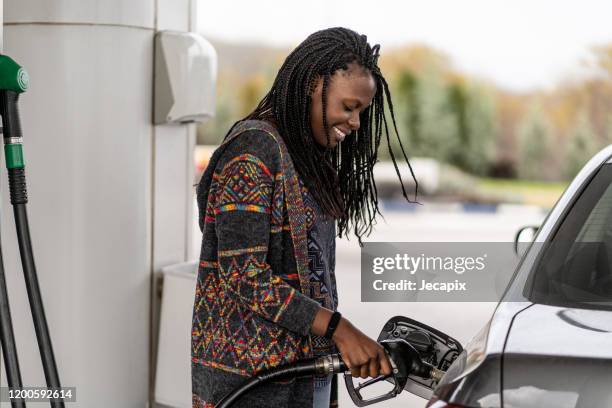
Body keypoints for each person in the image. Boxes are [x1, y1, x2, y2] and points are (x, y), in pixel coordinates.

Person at [191, 27, 417, 408]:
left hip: (305, 374)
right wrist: (338, 328)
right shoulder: (253, 150)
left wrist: (339, 339)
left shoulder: (306, 159)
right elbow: (243, 275)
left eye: (362, 110)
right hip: (254, 387)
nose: (357, 122)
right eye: (348, 107)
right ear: (314, 84)